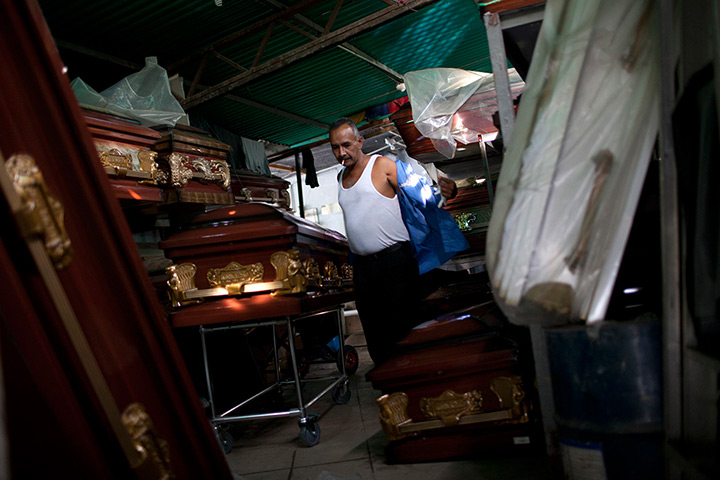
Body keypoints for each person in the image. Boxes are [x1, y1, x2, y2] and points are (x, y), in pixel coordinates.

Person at [331, 117, 457, 365]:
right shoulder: (340, 178)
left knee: (403, 330)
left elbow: (423, 193)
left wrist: (445, 191)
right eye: (335, 147)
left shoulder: (383, 166)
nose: (340, 152)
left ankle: (412, 386)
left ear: (359, 141)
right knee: (375, 334)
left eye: (345, 145)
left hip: (395, 264)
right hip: (364, 269)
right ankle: (389, 391)